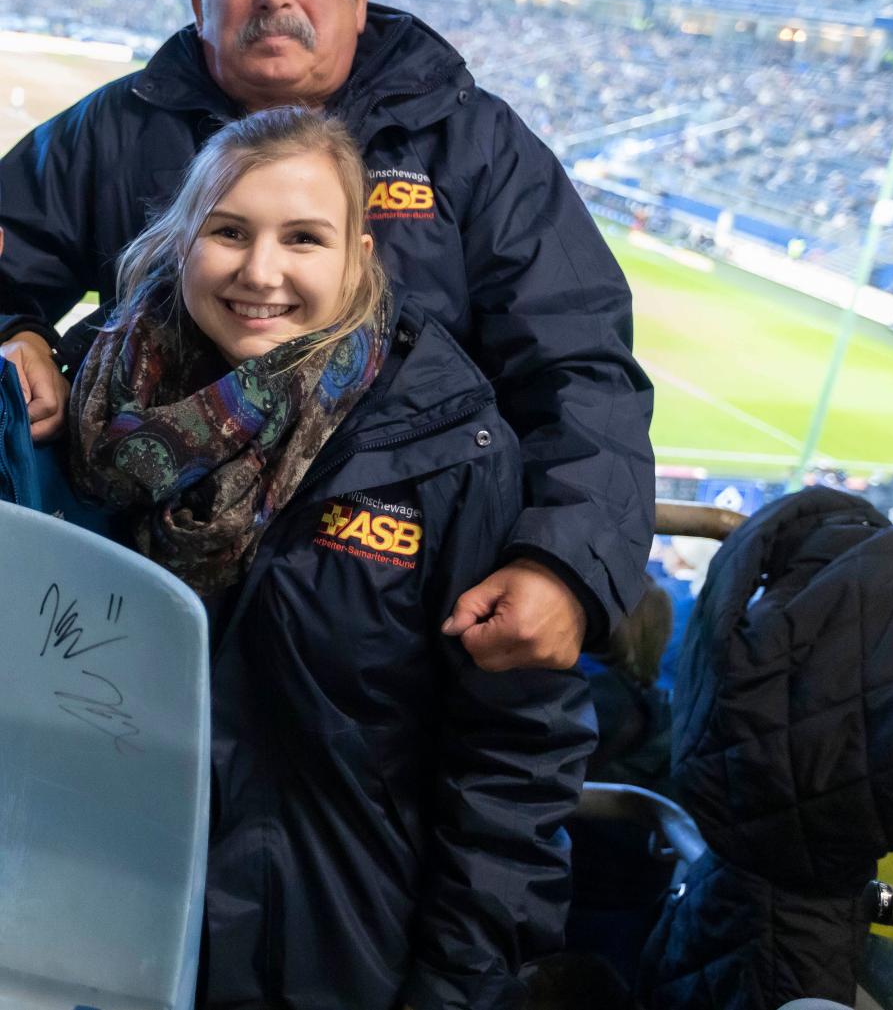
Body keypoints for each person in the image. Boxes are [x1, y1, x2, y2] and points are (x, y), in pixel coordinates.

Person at [0, 0, 654, 671]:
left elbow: (581, 365)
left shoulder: (474, 149)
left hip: (381, 640)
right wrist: (17, 331)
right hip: (126, 639)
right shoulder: (115, 130)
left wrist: (564, 562)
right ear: (202, 6)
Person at [67, 105, 596, 1009]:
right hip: (89, 923)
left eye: (302, 238)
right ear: (184, 237)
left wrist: (458, 987)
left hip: (331, 959)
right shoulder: (87, 400)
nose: (260, 271)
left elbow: (512, 759)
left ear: (358, 252)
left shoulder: (445, 451)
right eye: (229, 231)